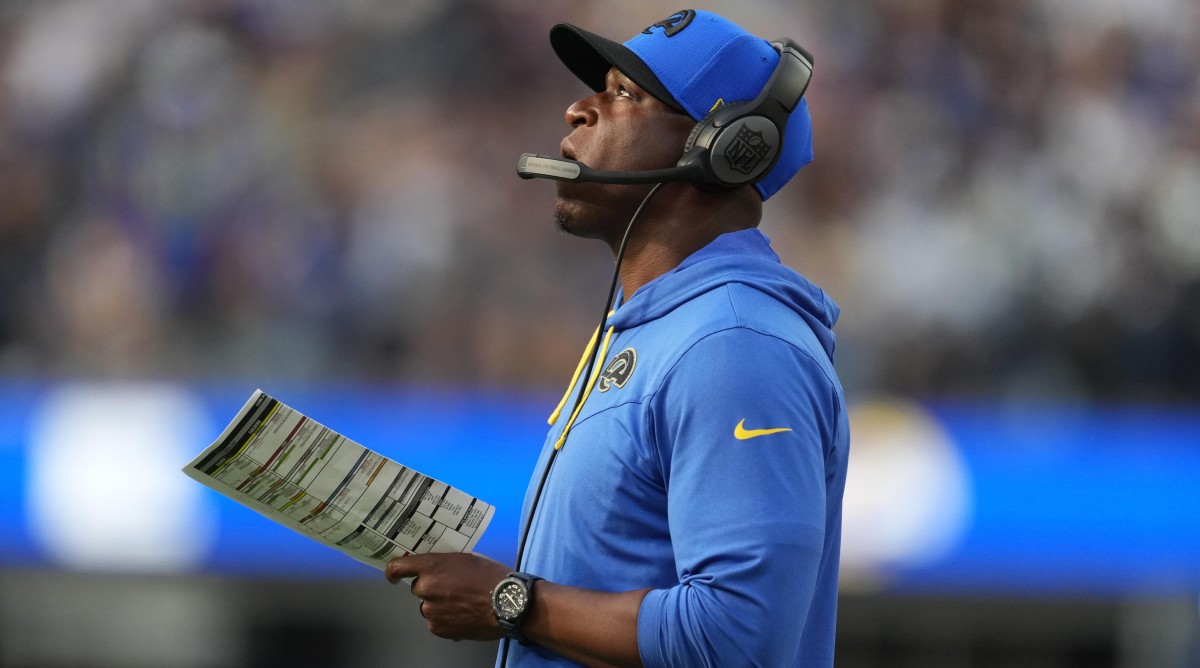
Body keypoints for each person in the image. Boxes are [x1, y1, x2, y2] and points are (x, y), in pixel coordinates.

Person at [385, 9, 849, 667]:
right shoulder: (662, 329)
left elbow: (740, 640)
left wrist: (513, 601)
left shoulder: (734, 345)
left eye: (625, 94)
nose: (578, 109)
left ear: (725, 147)